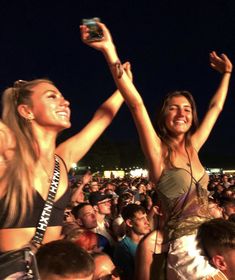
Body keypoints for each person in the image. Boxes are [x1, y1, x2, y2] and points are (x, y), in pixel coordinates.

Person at [81, 22, 233, 279]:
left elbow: (216, 108)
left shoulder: (193, 146)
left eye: (186, 108)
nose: (181, 113)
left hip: (212, 237)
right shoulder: (157, 151)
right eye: (174, 107)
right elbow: (136, 103)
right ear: (163, 115)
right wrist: (109, 50)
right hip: (186, 246)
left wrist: (228, 73)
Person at [0, 67, 131, 277]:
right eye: (52, 96)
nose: (65, 102)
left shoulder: (62, 160)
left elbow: (101, 119)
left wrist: (122, 83)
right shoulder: (7, 153)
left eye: (63, 97)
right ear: (27, 111)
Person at [113, 203, 151, 279]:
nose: (147, 222)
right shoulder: (123, 248)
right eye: (141, 219)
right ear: (130, 223)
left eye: (146, 217)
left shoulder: (150, 241)